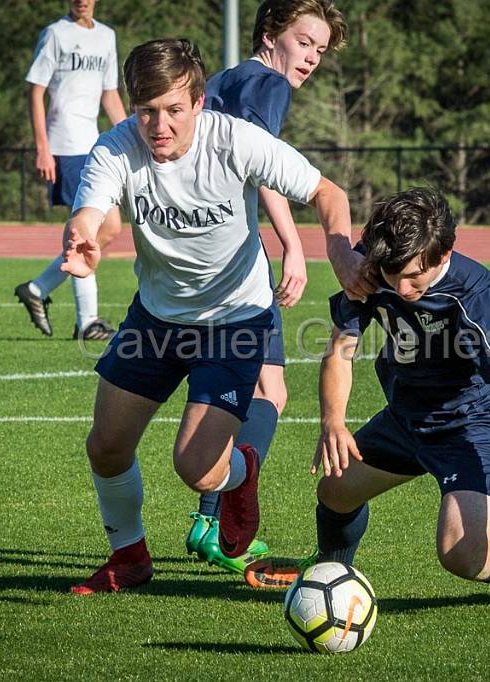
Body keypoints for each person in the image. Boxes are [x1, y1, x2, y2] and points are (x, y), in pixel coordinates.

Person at [61, 38, 365, 594]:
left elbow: (328, 193)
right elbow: (91, 209)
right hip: (156, 319)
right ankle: (129, 557)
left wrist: (342, 253)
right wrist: (82, 234)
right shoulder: (115, 148)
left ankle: (240, 470)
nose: (159, 125)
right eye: (147, 109)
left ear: (199, 102)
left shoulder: (238, 141)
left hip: (236, 320)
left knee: (197, 469)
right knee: (105, 446)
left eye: (174, 109)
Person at [246, 188, 490, 604]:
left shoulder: (478, 297)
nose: (400, 289)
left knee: (462, 553)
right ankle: (327, 570)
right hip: (408, 416)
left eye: (414, 278)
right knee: (335, 488)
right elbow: (340, 351)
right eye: (392, 275)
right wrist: (333, 421)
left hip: (474, 426)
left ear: (444, 255)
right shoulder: (377, 262)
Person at [183, 0, 350, 576]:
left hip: (200, 252)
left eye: (320, 50)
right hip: (235, 260)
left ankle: (209, 515)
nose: (311, 58)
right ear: (270, 34)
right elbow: (262, 164)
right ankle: (216, 517)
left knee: (261, 384)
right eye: (304, 41)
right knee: (268, 394)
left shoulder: (226, 78)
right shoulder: (267, 84)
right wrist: (293, 243)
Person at [14, 0, 125, 341]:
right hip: (65, 147)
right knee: (91, 232)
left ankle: (37, 288)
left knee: (109, 230)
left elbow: (110, 94)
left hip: (94, 146)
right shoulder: (56, 34)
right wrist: (43, 148)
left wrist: (132, 136)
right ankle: (87, 321)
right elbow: (36, 93)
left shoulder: (107, 36)